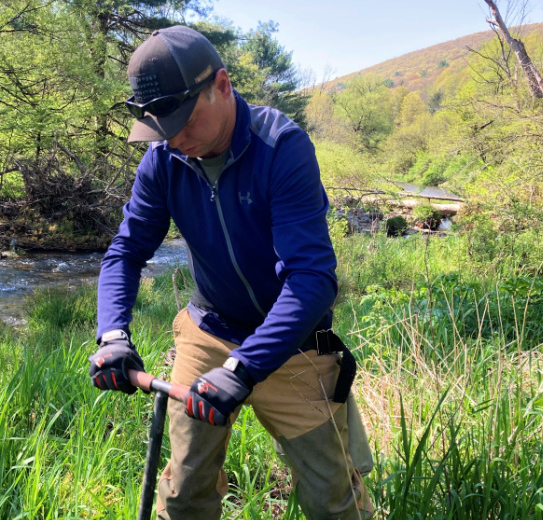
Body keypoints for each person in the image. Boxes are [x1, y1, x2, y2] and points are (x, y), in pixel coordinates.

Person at [88, 25, 373, 520]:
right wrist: (112, 333)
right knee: (183, 495)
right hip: (209, 330)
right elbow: (126, 251)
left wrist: (245, 367)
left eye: (182, 119)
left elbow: (312, 279)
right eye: (160, 125)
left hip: (294, 345)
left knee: (333, 501)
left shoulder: (280, 148)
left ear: (221, 84)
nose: (173, 138)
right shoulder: (163, 160)